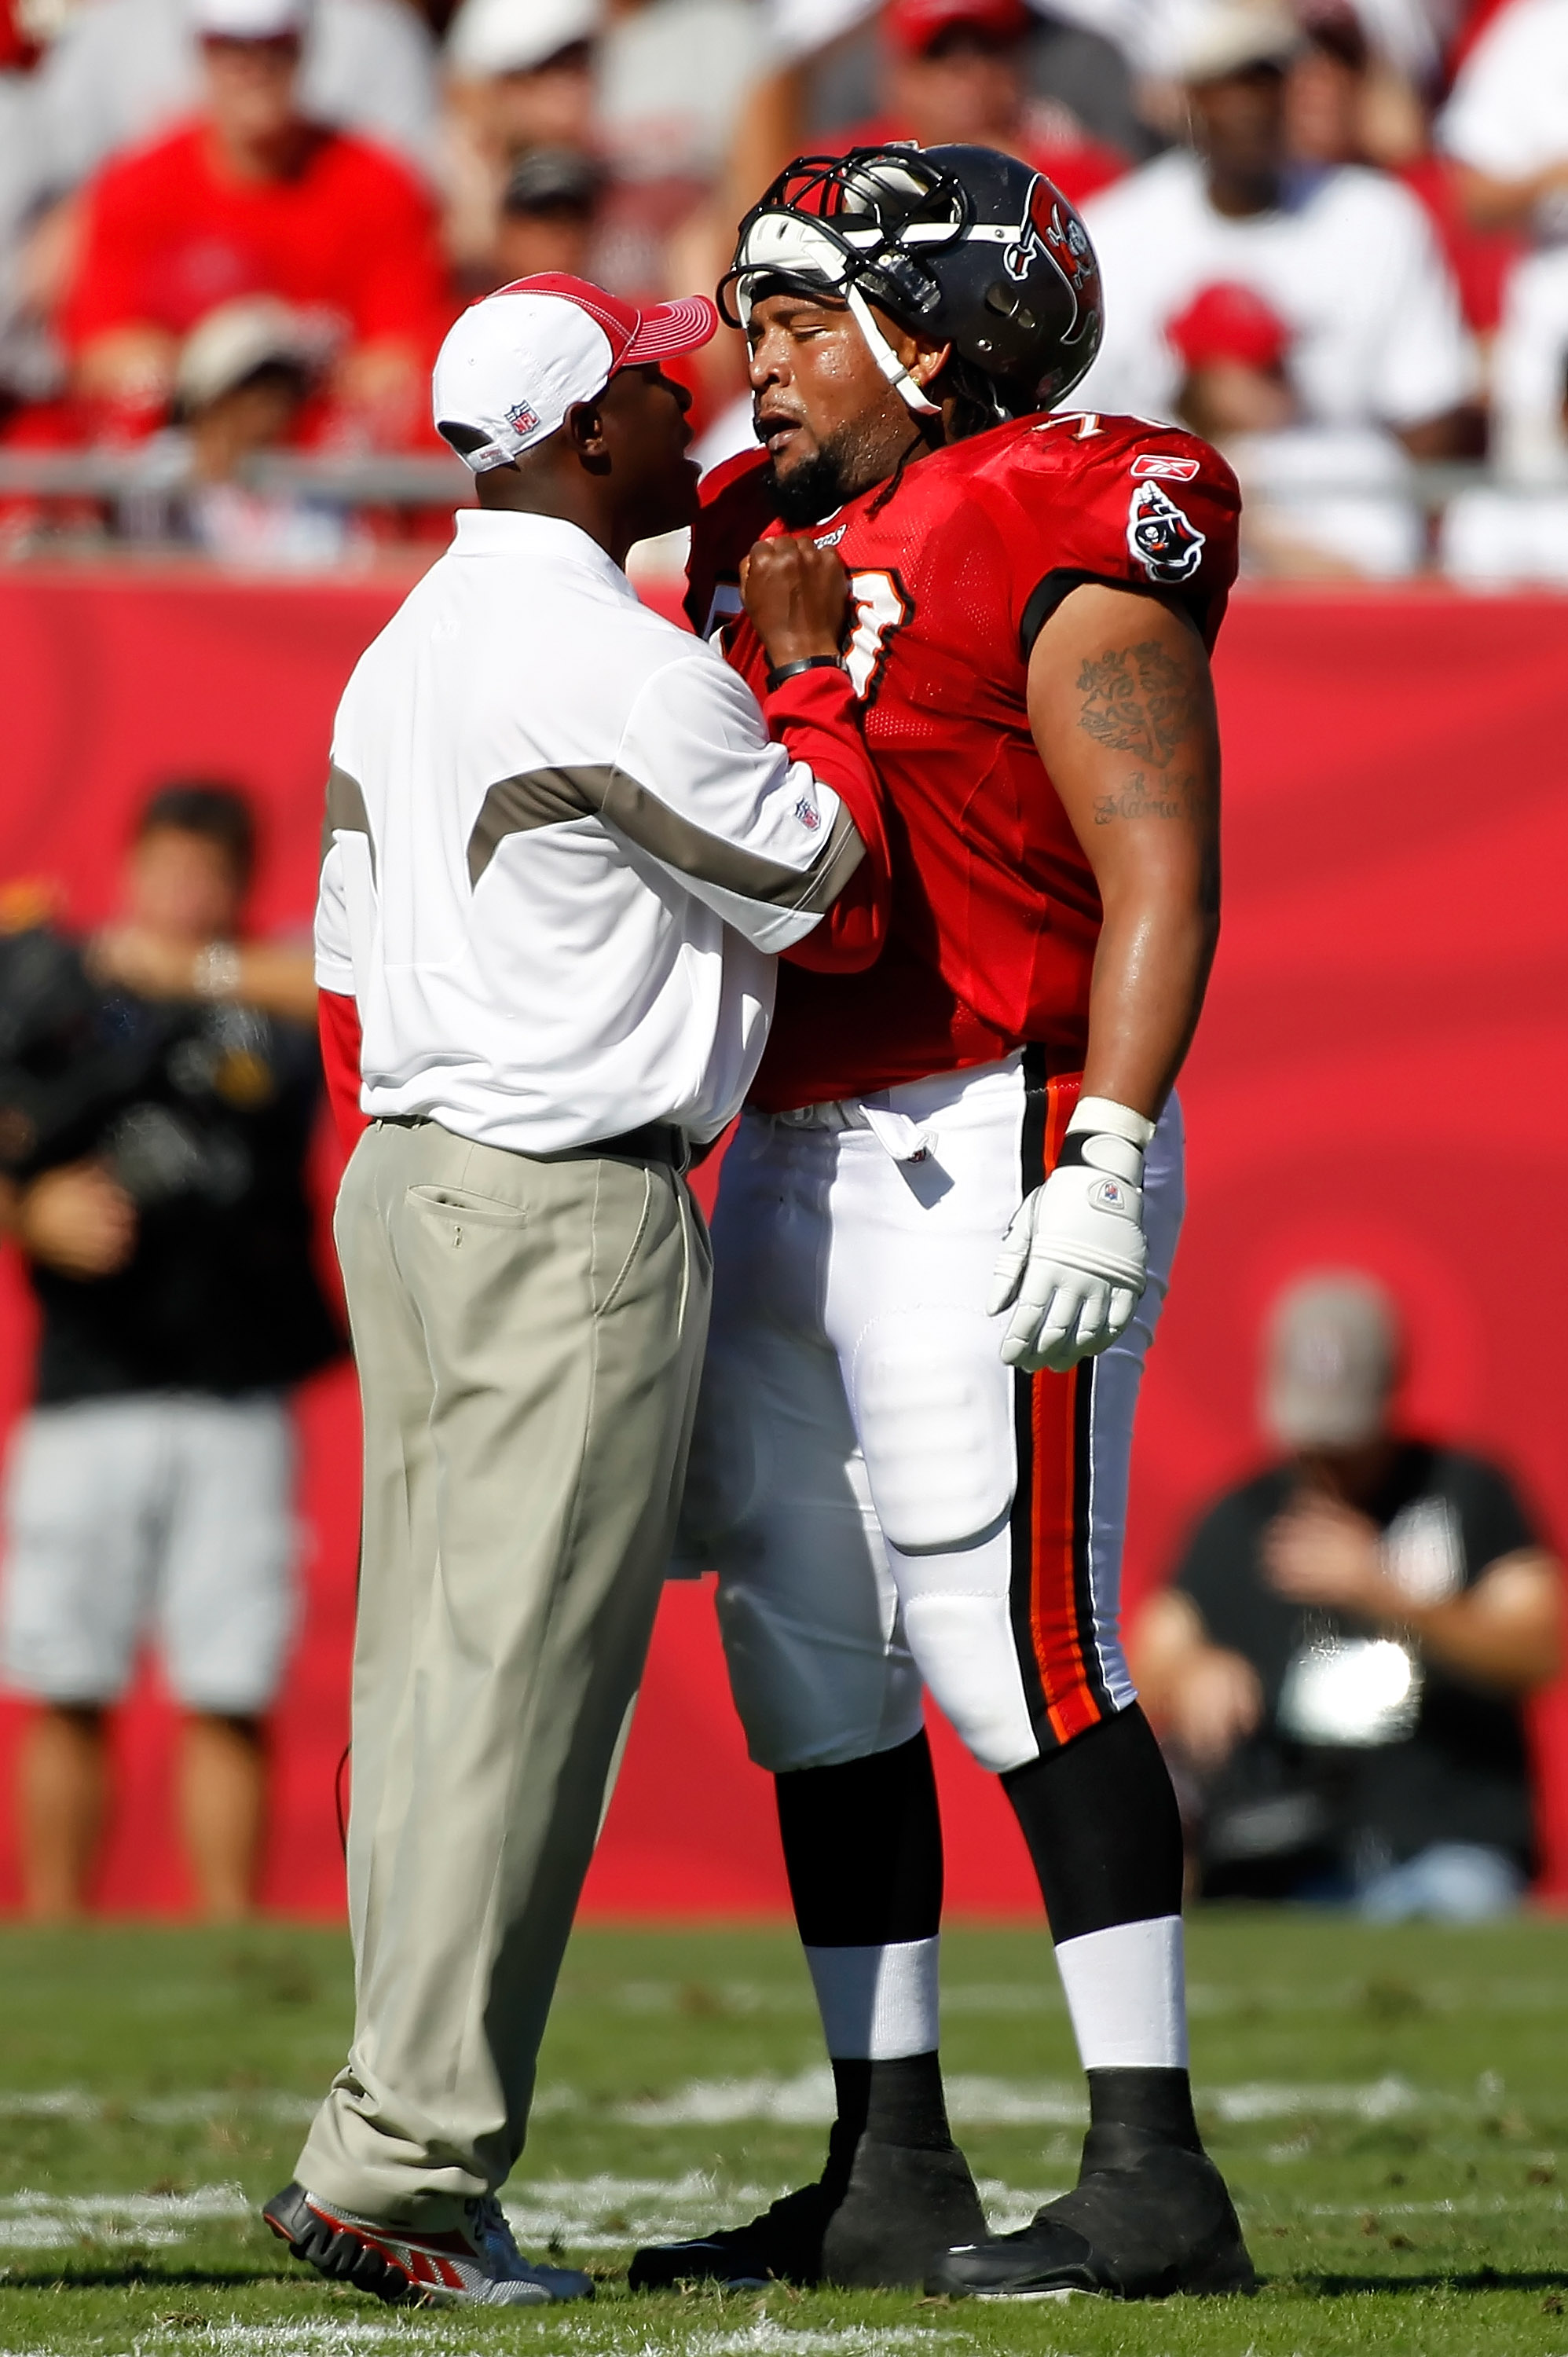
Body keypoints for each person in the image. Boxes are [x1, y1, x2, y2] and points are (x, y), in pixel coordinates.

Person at [632, 144, 1251, 2302]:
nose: (757, 365)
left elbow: (1154, 850)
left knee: (1017, 1641)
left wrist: (1108, 1141)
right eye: (756, 320)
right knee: (807, 1657)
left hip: (991, 1119)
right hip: (789, 1141)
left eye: (801, 320)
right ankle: (883, 2159)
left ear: (943, 326)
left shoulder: (1057, 507)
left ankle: (1152, 2175)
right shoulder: (750, 529)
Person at [262, 270, 892, 2308]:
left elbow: (350, 979)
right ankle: (404, 2163)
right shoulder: (598, 656)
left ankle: (401, 2128)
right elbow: (822, 878)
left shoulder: (404, 641)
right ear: (578, 432)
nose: (678, 410)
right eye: (645, 386)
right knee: (517, 1707)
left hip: (421, 1178)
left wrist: (401, 1185)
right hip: (558, 1198)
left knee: (433, 1694)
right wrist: (802, 673)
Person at [0, 784, 337, 1921]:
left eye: (212, 872)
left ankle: (228, 1937)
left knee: (230, 1680)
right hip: (87, 1385)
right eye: (170, 867)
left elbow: (352, 994)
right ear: (132, 866)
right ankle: (51, 1929)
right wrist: (28, 1211)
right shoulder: (50, 982)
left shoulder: (271, 992)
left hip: (236, 1388)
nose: (187, 894)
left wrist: (191, 973)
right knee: (66, 1677)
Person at [1131, 1273, 1561, 1917]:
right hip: (1283, 1855)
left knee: (1449, 1907)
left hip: (1446, 1845)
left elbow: (1542, 1647)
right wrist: (1191, 1673)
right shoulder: (1242, 1517)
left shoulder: (1467, 1494)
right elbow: (1147, 1657)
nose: (1328, 1455)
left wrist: (1388, 1592)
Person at [1075, 0, 1475, 464]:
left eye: (1268, 81)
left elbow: (1429, 414)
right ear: (1191, 96)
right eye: (1229, 85)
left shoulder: (1376, 217)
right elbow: (1081, 424)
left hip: (1334, 503)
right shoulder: (1116, 231)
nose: (1252, 106)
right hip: (1155, 502)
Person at [57, 0, 449, 448]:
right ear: (202, 54)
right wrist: (218, 374)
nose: (253, 69)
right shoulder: (135, 183)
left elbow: (399, 359)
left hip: (326, 467)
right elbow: (99, 353)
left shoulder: (379, 184)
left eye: (274, 47)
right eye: (230, 49)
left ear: (302, 49)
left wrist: (281, 381)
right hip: (180, 454)